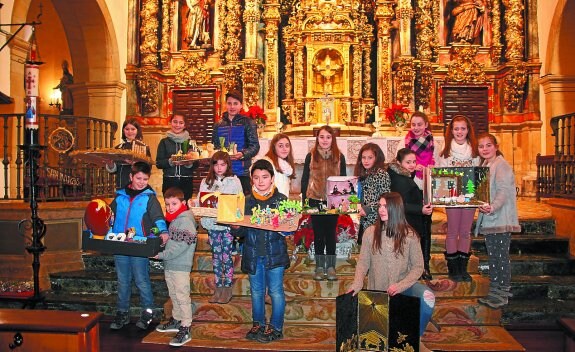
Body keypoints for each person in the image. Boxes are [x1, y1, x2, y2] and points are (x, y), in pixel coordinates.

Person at [347, 192, 435, 352]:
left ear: (396, 209)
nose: (381, 210)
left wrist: (400, 286)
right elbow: (363, 263)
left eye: (386, 206)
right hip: (378, 292)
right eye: (380, 206)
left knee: (428, 297)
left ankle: (415, 337)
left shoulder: (410, 235)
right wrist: (357, 283)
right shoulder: (370, 233)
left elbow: (418, 267)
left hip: (403, 289)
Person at [109, 162, 169, 331]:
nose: (142, 182)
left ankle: (148, 312)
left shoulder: (149, 198)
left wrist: (162, 231)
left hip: (139, 245)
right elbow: (108, 216)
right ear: (131, 177)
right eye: (138, 178)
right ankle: (122, 312)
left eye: (145, 178)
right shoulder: (119, 197)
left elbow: (158, 218)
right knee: (123, 281)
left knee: (142, 280)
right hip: (120, 243)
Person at [239, 159, 290, 343]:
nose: (260, 181)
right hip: (253, 254)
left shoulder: (281, 200)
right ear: (252, 180)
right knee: (256, 292)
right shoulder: (246, 201)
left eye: (265, 177)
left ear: (272, 179)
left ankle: (276, 327)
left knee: (276, 292)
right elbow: (240, 231)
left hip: (274, 254)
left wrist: (286, 225)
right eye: (256, 177)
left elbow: (288, 229)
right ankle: (258, 323)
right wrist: (234, 225)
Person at [475, 133, 520, 308]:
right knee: (493, 257)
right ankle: (494, 292)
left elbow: (504, 191)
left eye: (488, 145)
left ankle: (503, 294)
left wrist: (493, 206)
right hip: (490, 220)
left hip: (500, 219)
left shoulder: (502, 165)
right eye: (481, 146)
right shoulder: (486, 165)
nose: (485, 149)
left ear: (496, 146)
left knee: (501, 257)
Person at [437, 115, 480, 282]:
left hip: (470, 196)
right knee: (453, 231)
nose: (459, 132)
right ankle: (453, 269)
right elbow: (441, 175)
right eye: (456, 129)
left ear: (468, 130)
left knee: (465, 232)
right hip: (452, 196)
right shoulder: (445, 151)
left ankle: (463, 268)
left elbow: (478, 174)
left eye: (463, 128)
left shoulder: (475, 150)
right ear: (451, 131)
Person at [301, 125, 346, 281]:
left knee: (330, 233)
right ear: (317, 138)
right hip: (315, 199)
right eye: (322, 137)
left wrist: (343, 201)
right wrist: (304, 202)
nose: (325, 140)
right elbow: (305, 178)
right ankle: (320, 266)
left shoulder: (339, 156)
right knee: (319, 234)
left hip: (333, 201)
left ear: (332, 139)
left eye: (328, 137)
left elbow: (344, 180)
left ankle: (331, 266)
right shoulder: (311, 155)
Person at [197, 151, 243, 304]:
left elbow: (239, 201)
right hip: (212, 224)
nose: (219, 168)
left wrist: (236, 219)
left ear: (228, 165)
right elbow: (200, 201)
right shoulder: (206, 181)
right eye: (216, 164)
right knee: (216, 257)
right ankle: (218, 287)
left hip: (228, 225)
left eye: (222, 164)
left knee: (227, 256)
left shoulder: (234, 181)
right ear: (212, 166)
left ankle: (227, 287)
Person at [154, 187, 198, 347]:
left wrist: (161, 255)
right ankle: (177, 320)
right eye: (167, 204)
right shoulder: (175, 219)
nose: (170, 207)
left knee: (182, 296)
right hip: (171, 264)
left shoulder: (185, 220)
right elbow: (174, 241)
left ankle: (185, 326)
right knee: (173, 294)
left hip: (180, 265)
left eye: (174, 203)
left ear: (183, 203)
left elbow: (181, 246)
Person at [388, 148, 434, 280]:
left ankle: (422, 267)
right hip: (409, 219)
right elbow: (400, 203)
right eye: (408, 162)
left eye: (414, 161)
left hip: (412, 218)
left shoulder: (400, 174)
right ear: (399, 162)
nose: (413, 165)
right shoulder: (399, 180)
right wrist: (420, 210)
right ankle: (418, 269)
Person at [404, 111, 435, 279]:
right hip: (411, 185)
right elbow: (400, 164)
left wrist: (427, 168)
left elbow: (437, 162)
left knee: (426, 227)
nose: (416, 128)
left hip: (427, 186)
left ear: (426, 125)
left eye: (419, 124)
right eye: (413, 124)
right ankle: (411, 265)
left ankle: (425, 265)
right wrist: (411, 167)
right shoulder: (405, 142)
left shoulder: (432, 142)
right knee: (411, 227)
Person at [212, 90, 260, 195]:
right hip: (222, 173)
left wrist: (242, 154)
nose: (232, 107)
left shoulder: (248, 123)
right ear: (225, 105)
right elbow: (214, 146)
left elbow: (255, 146)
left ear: (241, 105)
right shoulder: (218, 125)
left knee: (241, 205)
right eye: (229, 103)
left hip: (241, 172)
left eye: (235, 103)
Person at [353, 143, 390, 245]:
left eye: (370, 158)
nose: (366, 160)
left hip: (375, 218)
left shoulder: (381, 174)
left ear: (377, 158)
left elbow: (385, 198)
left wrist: (368, 208)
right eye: (363, 157)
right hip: (363, 219)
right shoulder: (363, 174)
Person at [156, 114, 197, 200]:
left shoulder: (191, 142)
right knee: (171, 209)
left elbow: (197, 163)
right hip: (169, 181)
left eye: (181, 123)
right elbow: (159, 163)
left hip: (186, 181)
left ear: (185, 125)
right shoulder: (164, 142)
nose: (177, 125)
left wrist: (189, 163)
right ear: (170, 123)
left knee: (185, 209)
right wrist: (171, 161)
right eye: (175, 122)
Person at [106, 118, 152, 190]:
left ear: (138, 130)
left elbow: (148, 167)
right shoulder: (118, 148)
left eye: (133, 129)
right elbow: (114, 171)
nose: (130, 132)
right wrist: (111, 165)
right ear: (123, 131)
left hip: (138, 185)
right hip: (122, 183)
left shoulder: (144, 147)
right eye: (127, 129)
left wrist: (135, 164)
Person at [261, 133, 295, 198]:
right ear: (274, 148)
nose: (284, 149)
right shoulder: (267, 163)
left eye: (287, 146)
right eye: (280, 146)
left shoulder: (285, 164)